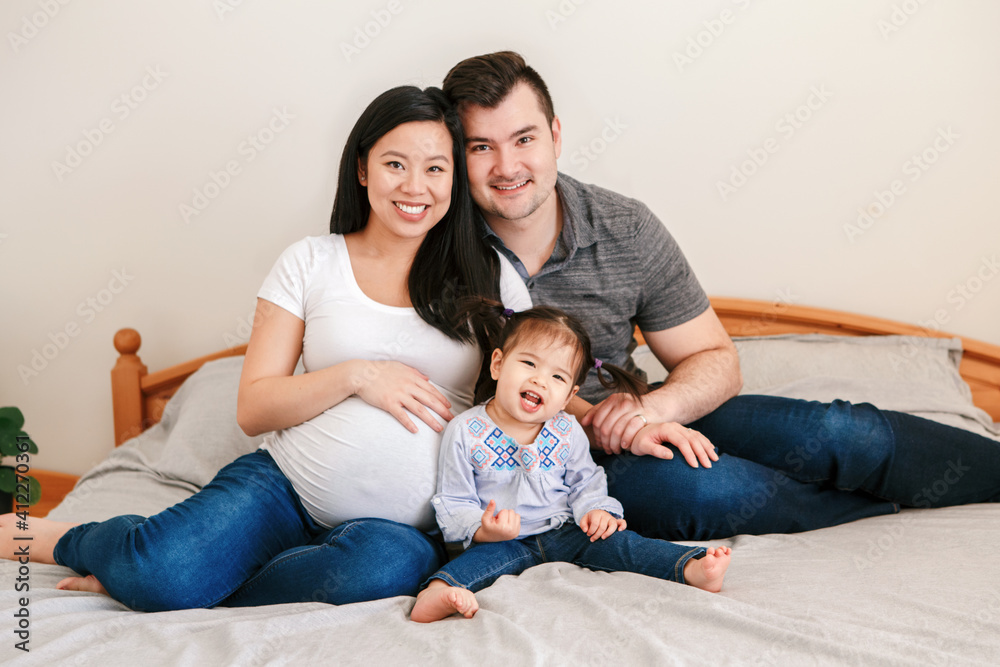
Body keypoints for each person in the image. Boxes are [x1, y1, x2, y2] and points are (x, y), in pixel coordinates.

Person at [0, 85, 531, 611]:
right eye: (396, 164)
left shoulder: (490, 273)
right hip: (285, 486)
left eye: (436, 168)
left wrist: (602, 414)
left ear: (455, 179)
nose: (415, 186)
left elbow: (536, 381)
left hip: (404, 523)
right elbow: (254, 408)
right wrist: (359, 375)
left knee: (384, 570)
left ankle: (181, 576)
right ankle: (82, 543)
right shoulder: (310, 262)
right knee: (158, 573)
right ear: (363, 168)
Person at [441, 51, 1000, 541]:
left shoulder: (624, 228)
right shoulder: (434, 251)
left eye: (524, 139)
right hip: (564, 466)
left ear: (555, 136)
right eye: (481, 147)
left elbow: (717, 361)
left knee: (838, 431)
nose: (507, 166)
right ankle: (879, 506)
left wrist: (650, 410)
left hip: (638, 411)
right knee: (709, 493)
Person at [410, 304, 730, 623]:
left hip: (564, 529)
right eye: (528, 363)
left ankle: (690, 567)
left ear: (568, 397)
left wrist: (596, 510)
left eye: (557, 376)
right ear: (497, 364)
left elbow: (585, 482)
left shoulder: (565, 428)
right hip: (505, 540)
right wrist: (483, 529)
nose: (540, 380)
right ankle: (437, 591)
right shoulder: (467, 431)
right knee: (478, 563)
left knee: (621, 544)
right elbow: (455, 499)